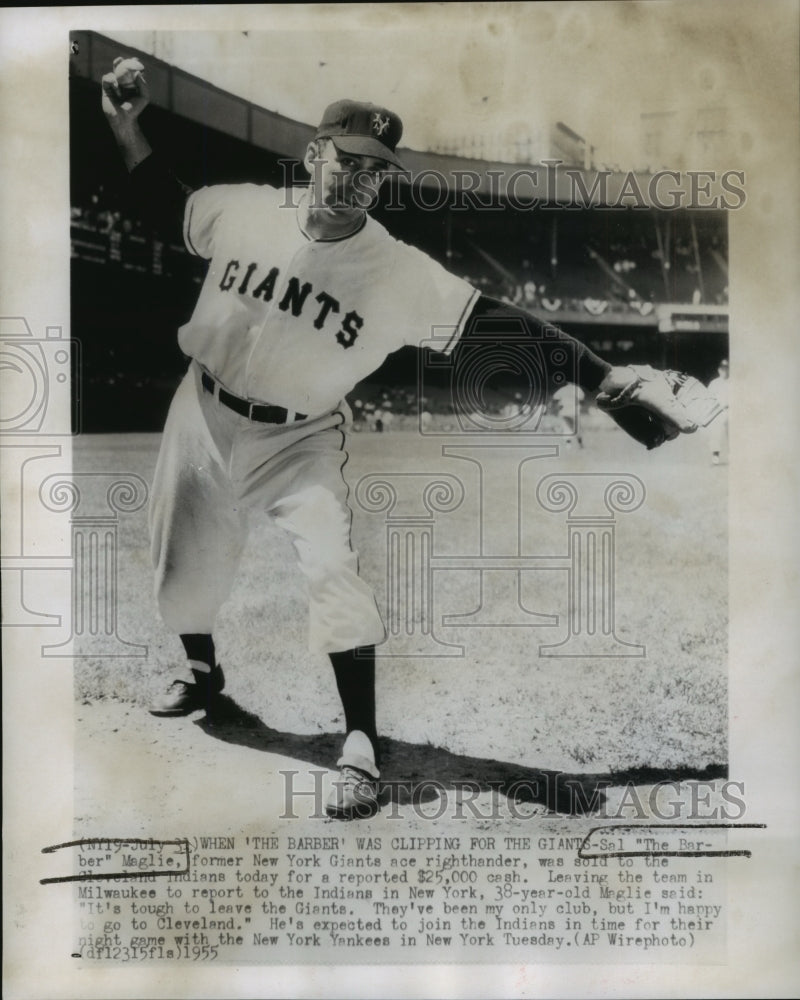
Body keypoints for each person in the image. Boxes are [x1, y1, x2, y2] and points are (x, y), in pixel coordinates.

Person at [100, 58, 697, 820]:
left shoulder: (394, 269)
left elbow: (499, 323)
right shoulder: (243, 209)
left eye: (375, 173)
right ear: (316, 154)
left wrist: (602, 378)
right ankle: (202, 670)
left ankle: (358, 746)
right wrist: (124, 126)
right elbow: (163, 206)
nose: (358, 181)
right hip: (203, 412)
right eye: (348, 161)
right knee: (183, 577)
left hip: (301, 438)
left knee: (332, 567)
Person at [707, 359, 730, 465]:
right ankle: (715, 455)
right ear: (719, 370)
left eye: (726, 368)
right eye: (722, 369)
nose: (724, 371)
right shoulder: (714, 383)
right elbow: (708, 398)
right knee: (716, 433)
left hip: (730, 410)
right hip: (718, 412)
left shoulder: (733, 382)